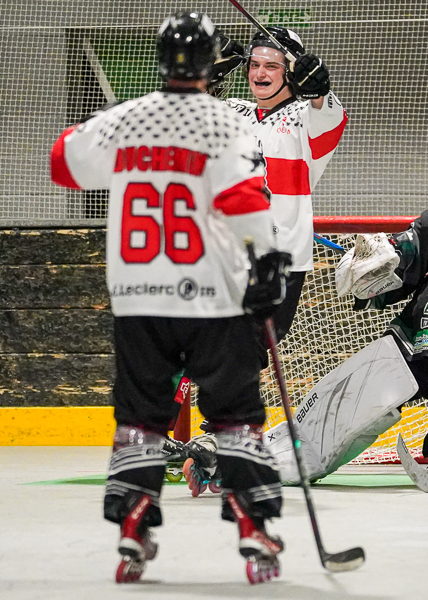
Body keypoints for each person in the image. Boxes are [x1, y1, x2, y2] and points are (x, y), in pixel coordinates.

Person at [50, 11, 289, 585]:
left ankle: (133, 524)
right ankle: (252, 523)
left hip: (137, 295)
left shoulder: (125, 119)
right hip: (210, 294)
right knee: (235, 415)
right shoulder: (221, 122)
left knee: (140, 417)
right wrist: (267, 263)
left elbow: (62, 165)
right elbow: (242, 200)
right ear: (212, 64)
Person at [195, 159, 428, 489]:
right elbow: (404, 259)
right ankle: (240, 460)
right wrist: (378, 264)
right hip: (410, 349)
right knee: (329, 418)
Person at [179, 25, 348, 496]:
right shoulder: (230, 111)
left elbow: (325, 113)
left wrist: (318, 85)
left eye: (272, 65)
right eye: (254, 64)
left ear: (291, 73)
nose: (259, 73)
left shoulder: (303, 119)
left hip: (279, 259)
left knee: (246, 350)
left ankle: (224, 435)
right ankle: (224, 437)